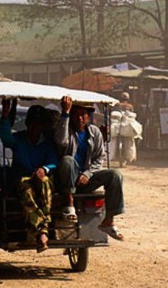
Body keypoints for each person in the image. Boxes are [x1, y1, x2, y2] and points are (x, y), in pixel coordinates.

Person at [54, 95, 126, 242]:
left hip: (85, 180)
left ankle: (109, 220)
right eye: (76, 114)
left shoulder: (94, 132)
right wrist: (65, 113)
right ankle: (69, 203)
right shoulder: (65, 130)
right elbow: (60, 141)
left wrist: (88, 173)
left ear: (88, 116)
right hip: (66, 180)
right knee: (68, 160)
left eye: (83, 114)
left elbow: (99, 158)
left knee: (115, 175)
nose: (79, 118)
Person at [0, 101, 57, 252]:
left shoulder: (48, 143)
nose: (35, 127)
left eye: (38, 123)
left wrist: (44, 169)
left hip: (42, 179)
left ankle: (41, 230)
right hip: (23, 180)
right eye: (32, 123)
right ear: (27, 123)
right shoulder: (19, 139)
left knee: (45, 182)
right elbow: (5, 137)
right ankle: (42, 231)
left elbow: (53, 162)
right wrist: (5, 113)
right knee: (27, 191)